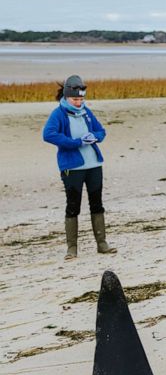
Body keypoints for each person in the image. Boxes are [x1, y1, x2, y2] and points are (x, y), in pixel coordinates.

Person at [42, 75, 116, 260]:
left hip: (94, 164)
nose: (78, 102)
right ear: (66, 97)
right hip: (72, 167)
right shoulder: (58, 113)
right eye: (75, 99)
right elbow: (48, 134)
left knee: (97, 204)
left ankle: (102, 244)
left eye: (81, 99)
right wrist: (75, 143)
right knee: (73, 206)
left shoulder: (86, 112)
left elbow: (101, 131)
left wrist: (95, 137)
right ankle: (72, 248)